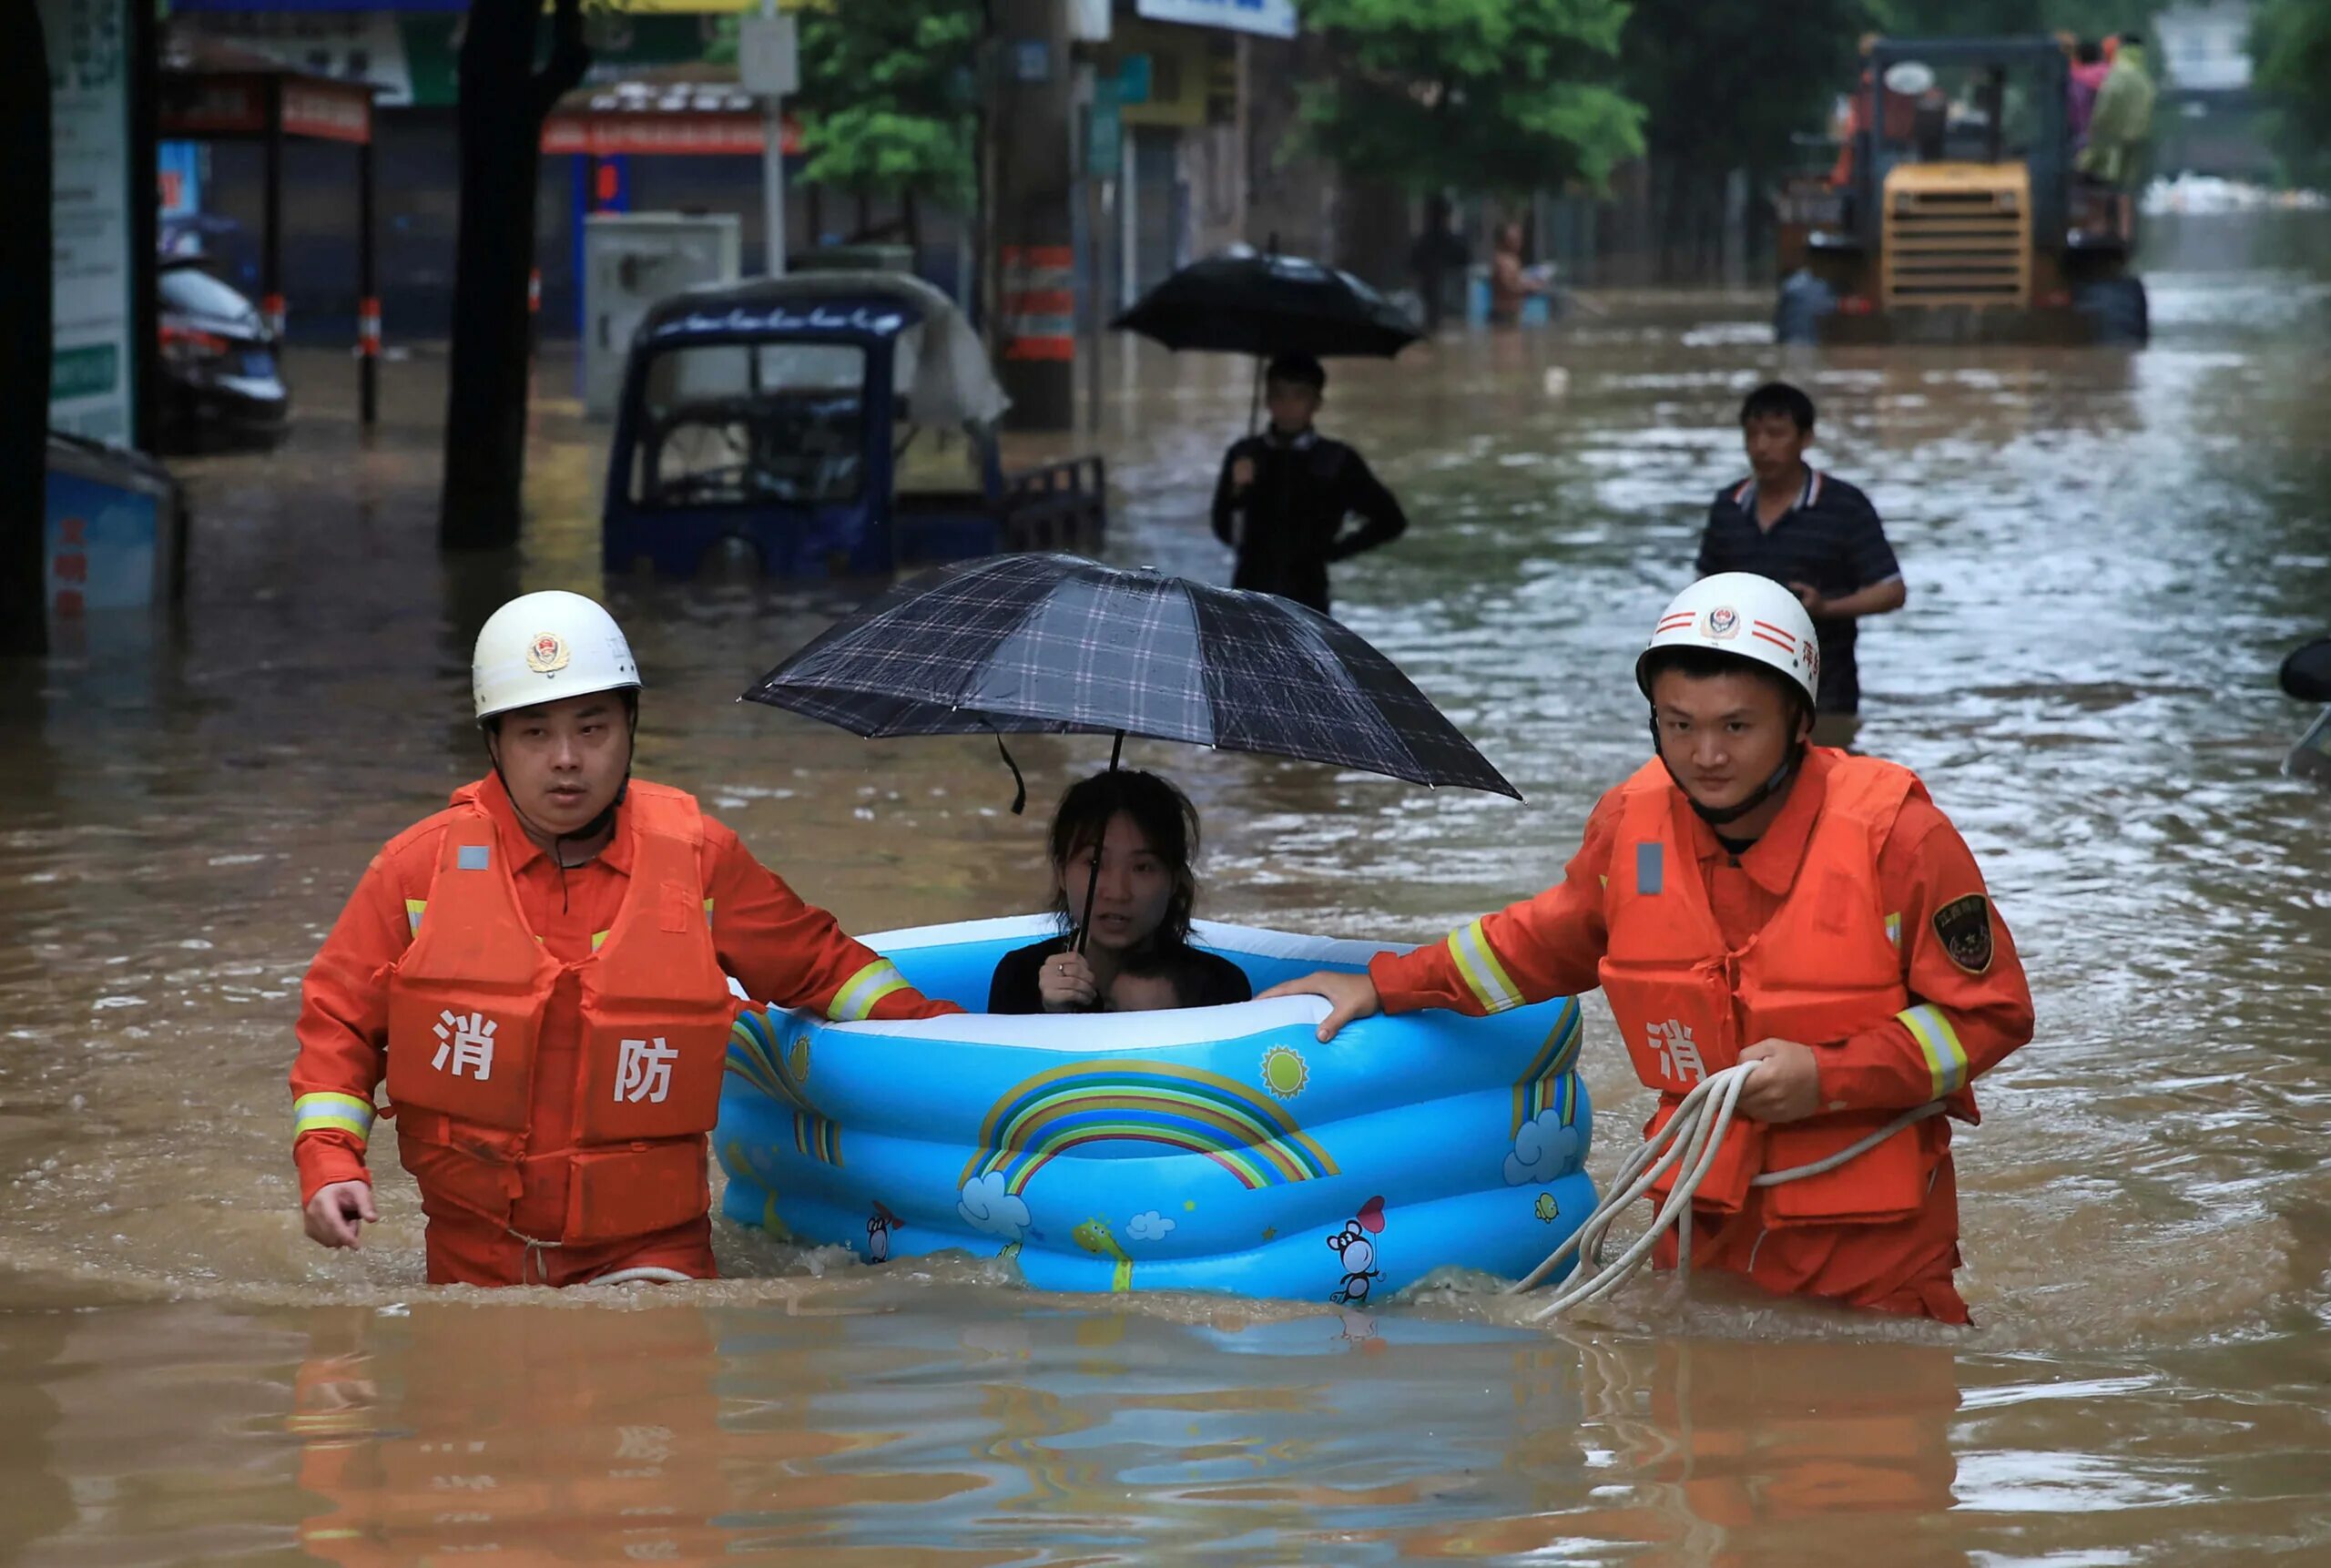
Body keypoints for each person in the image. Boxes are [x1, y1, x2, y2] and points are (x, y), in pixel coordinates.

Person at [1261, 574, 2035, 1323]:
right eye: (1679, 724)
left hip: (1875, 1260)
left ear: (1801, 721)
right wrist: (1386, 984)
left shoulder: (1899, 837)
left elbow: (1991, 1014)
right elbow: (1537, 943)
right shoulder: (1632, 823)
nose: (1706, 755)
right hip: (1700, 1235)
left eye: (1737, 726)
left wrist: (1828, 1077)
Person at [290, 590, 960, 1287]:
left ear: (631, 726)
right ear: (493, 743)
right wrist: (329, 1162)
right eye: (534, 733)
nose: (567, 760)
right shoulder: (414, 870)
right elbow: (338, 1026)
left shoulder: (701, 857)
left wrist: (962, 1037)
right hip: (473, 1263)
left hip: (653, 1258)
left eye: (593, 728)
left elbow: (826, 970)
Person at [1696, 382, 1904, 745]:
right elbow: (1703, 593)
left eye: (1776, 434)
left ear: (1805, 438)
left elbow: (1891, 591)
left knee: (1825, 791)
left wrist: (1827, 607)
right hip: (1739, 689)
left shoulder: (1844, 506)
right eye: (1753, 434)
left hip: (1825, 691)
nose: (1761, 447)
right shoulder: (1728, 506)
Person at [988, 769, 1251, 1014]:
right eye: (1094, 863)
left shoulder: (1219, 988)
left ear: (1175, 880)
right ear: (1061, 874)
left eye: (1143, 867)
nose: (1117, 892)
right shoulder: (1019, 977)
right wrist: (1053, 1016)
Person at [1210, 352, 1408, 616]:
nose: (1288, 406)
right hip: (1249, 596)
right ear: (1267, 400)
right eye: (1279, 395)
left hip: (1308, 597)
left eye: (1299, 396)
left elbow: (1390, 520)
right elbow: (1229, 534)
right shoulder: (1245, 455)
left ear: (1316, 403)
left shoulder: (1336, 460)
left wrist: (1333, 552)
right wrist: (1236, 492)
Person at [1408, 194, 1471, 335]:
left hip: (1442, 305)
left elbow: (1412, 270)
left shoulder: (1424, 242)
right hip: (1445, 306)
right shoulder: (1452, 243)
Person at [1489, 222, 1552, 327]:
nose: (1520, 241)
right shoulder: (1502, 261)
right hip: (1504, 314)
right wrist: (1530, 287)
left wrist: (1531, 283)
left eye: (1520, 237)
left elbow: (1514, 282)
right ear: (1506, 240)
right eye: (1515, 238)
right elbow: (1508, 287)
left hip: (1513, 312)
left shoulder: (1513, 259)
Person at [2068, 38, 2110, 152]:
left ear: (2079, 58)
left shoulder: (2074, 80)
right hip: (2110, 141)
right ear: (2099, 57)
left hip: (2081, 139)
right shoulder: (2113, 76)